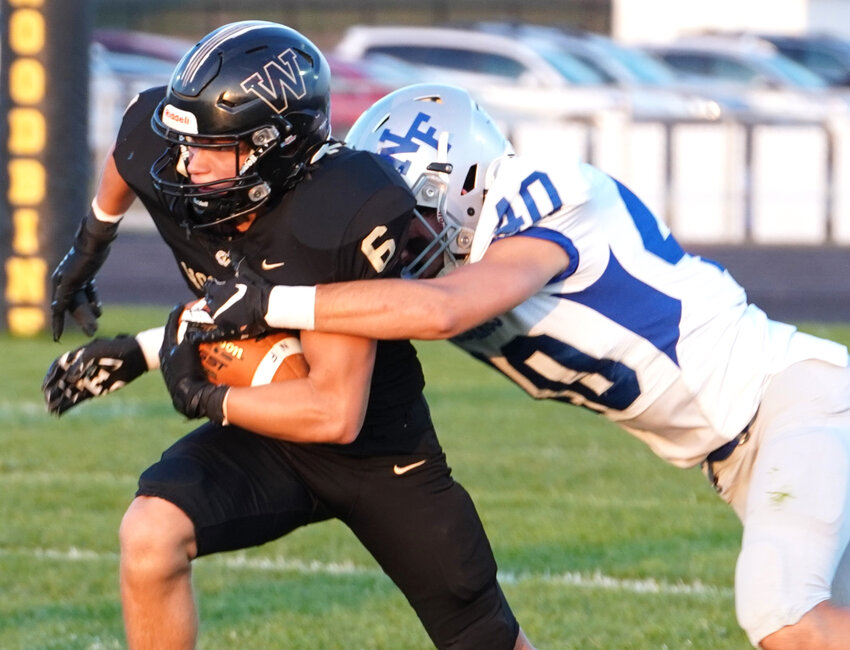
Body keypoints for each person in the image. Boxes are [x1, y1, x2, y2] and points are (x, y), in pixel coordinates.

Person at [198, 83, 850, 649]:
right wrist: (162, 341)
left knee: (784, 617)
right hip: (739, 453)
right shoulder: (448, 264)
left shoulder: (550, 194)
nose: (397, 245)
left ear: (465, 180)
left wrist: (269, 299)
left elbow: (444, 311)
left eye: (410, 219)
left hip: (791, 400)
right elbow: (337, 323)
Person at [42, 27, 534, 650]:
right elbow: (130, 153)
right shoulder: (168, 152)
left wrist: (203, 398)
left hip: (373, 446)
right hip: (269, 427)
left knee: (482, 635)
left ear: (273, 146)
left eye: (211, 147)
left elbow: (333, 412)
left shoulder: (338, 209)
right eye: (184, 142)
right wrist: (90, 246)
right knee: (150, 533)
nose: (187, 165)